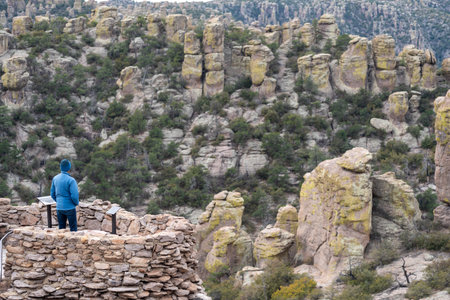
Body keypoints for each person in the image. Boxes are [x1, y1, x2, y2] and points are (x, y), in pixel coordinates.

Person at [50, 159, 79, 232]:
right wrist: (75, 203)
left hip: (59, 208)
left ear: (61, 167)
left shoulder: (55, 178)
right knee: (73, 229)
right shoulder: (71, 180)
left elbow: (52, 194)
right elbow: (74, 196)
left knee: (61, 229)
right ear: (69, 168)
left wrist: (58, 201)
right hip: (70, 207)